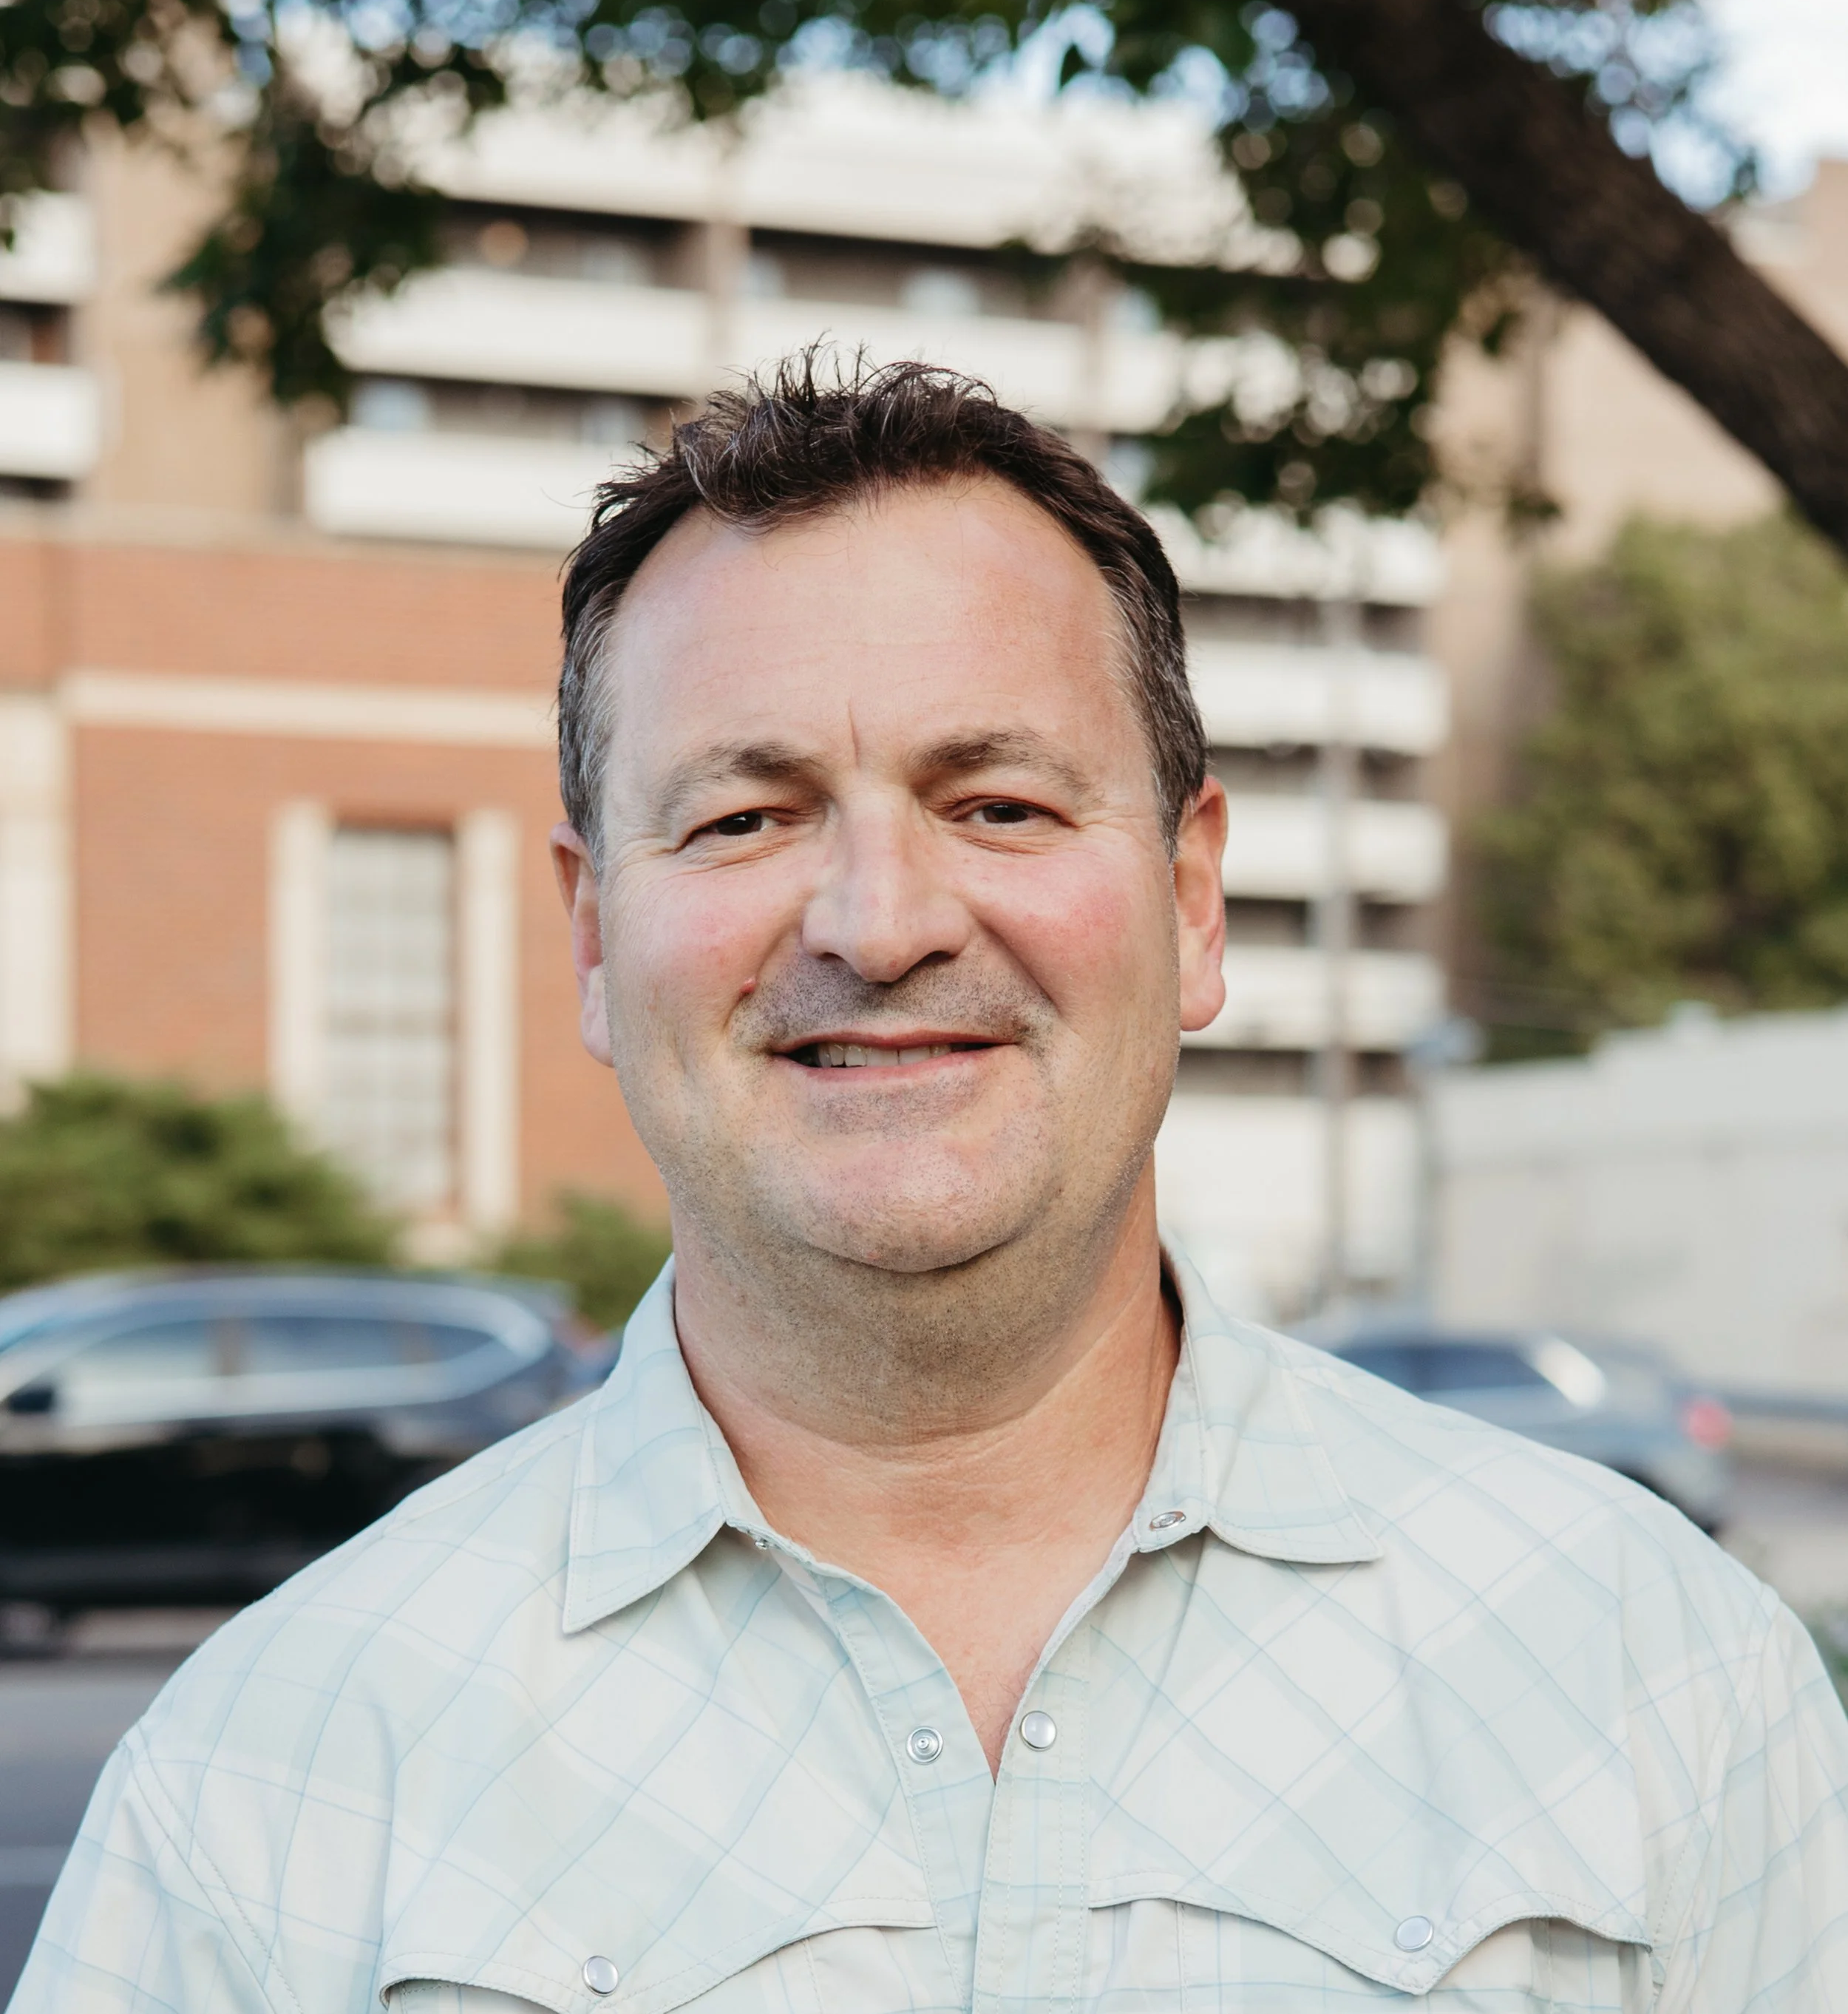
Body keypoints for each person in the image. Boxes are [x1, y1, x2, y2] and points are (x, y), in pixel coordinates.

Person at [14, 356, 1848, 2014]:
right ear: (589, 932)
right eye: (743, 817)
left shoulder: (1653, 1679)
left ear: (1192, 902)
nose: (877, 924)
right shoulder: (270, 1779)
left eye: (999, 805)